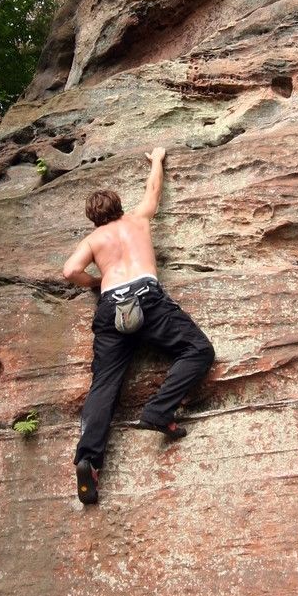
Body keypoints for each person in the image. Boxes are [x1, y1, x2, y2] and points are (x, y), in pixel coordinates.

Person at [61, 147, 215, 505]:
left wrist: (96, 283)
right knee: (199, 351)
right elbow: (153, 192)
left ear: (93, 218)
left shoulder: (92, 240)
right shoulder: (139, 219)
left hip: (111, 306)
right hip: (148, 299)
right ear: (118, 206)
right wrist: (157, 161)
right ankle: (159, 410)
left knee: (105, 385)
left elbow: (69, 270)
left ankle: (88, 461)